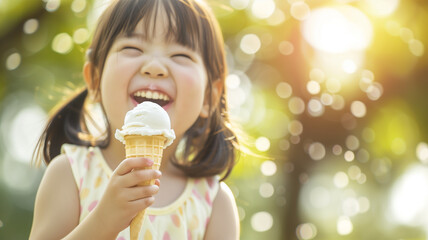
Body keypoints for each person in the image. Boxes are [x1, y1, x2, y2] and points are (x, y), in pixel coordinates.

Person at [29, 0, 240, 239]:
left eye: (180, 54)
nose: (154, 67)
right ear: (95, 79)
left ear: (209, 97)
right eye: (133, 48)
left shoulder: (214, 203)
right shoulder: (70, 174)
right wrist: (103, 221)